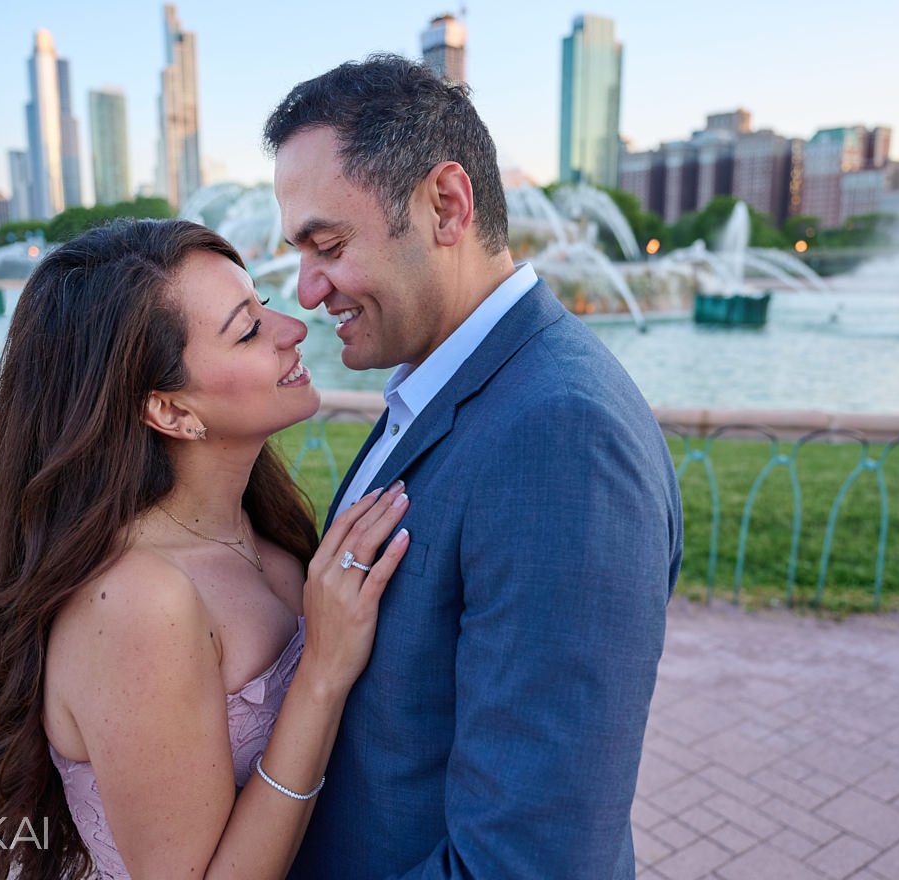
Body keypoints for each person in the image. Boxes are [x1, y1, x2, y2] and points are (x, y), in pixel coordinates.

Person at [266, 55, 683, 878]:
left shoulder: (564, 439)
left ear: (445, 206)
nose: (307, 291)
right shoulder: (441, 382)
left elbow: (528, 863)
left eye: (328, 245)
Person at [0, 219, 411, 879]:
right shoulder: (138, 601)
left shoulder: (258, 526)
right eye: (247, 330)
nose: (294, 330)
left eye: (263, 308)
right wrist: (322, 675)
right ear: (169, 411)